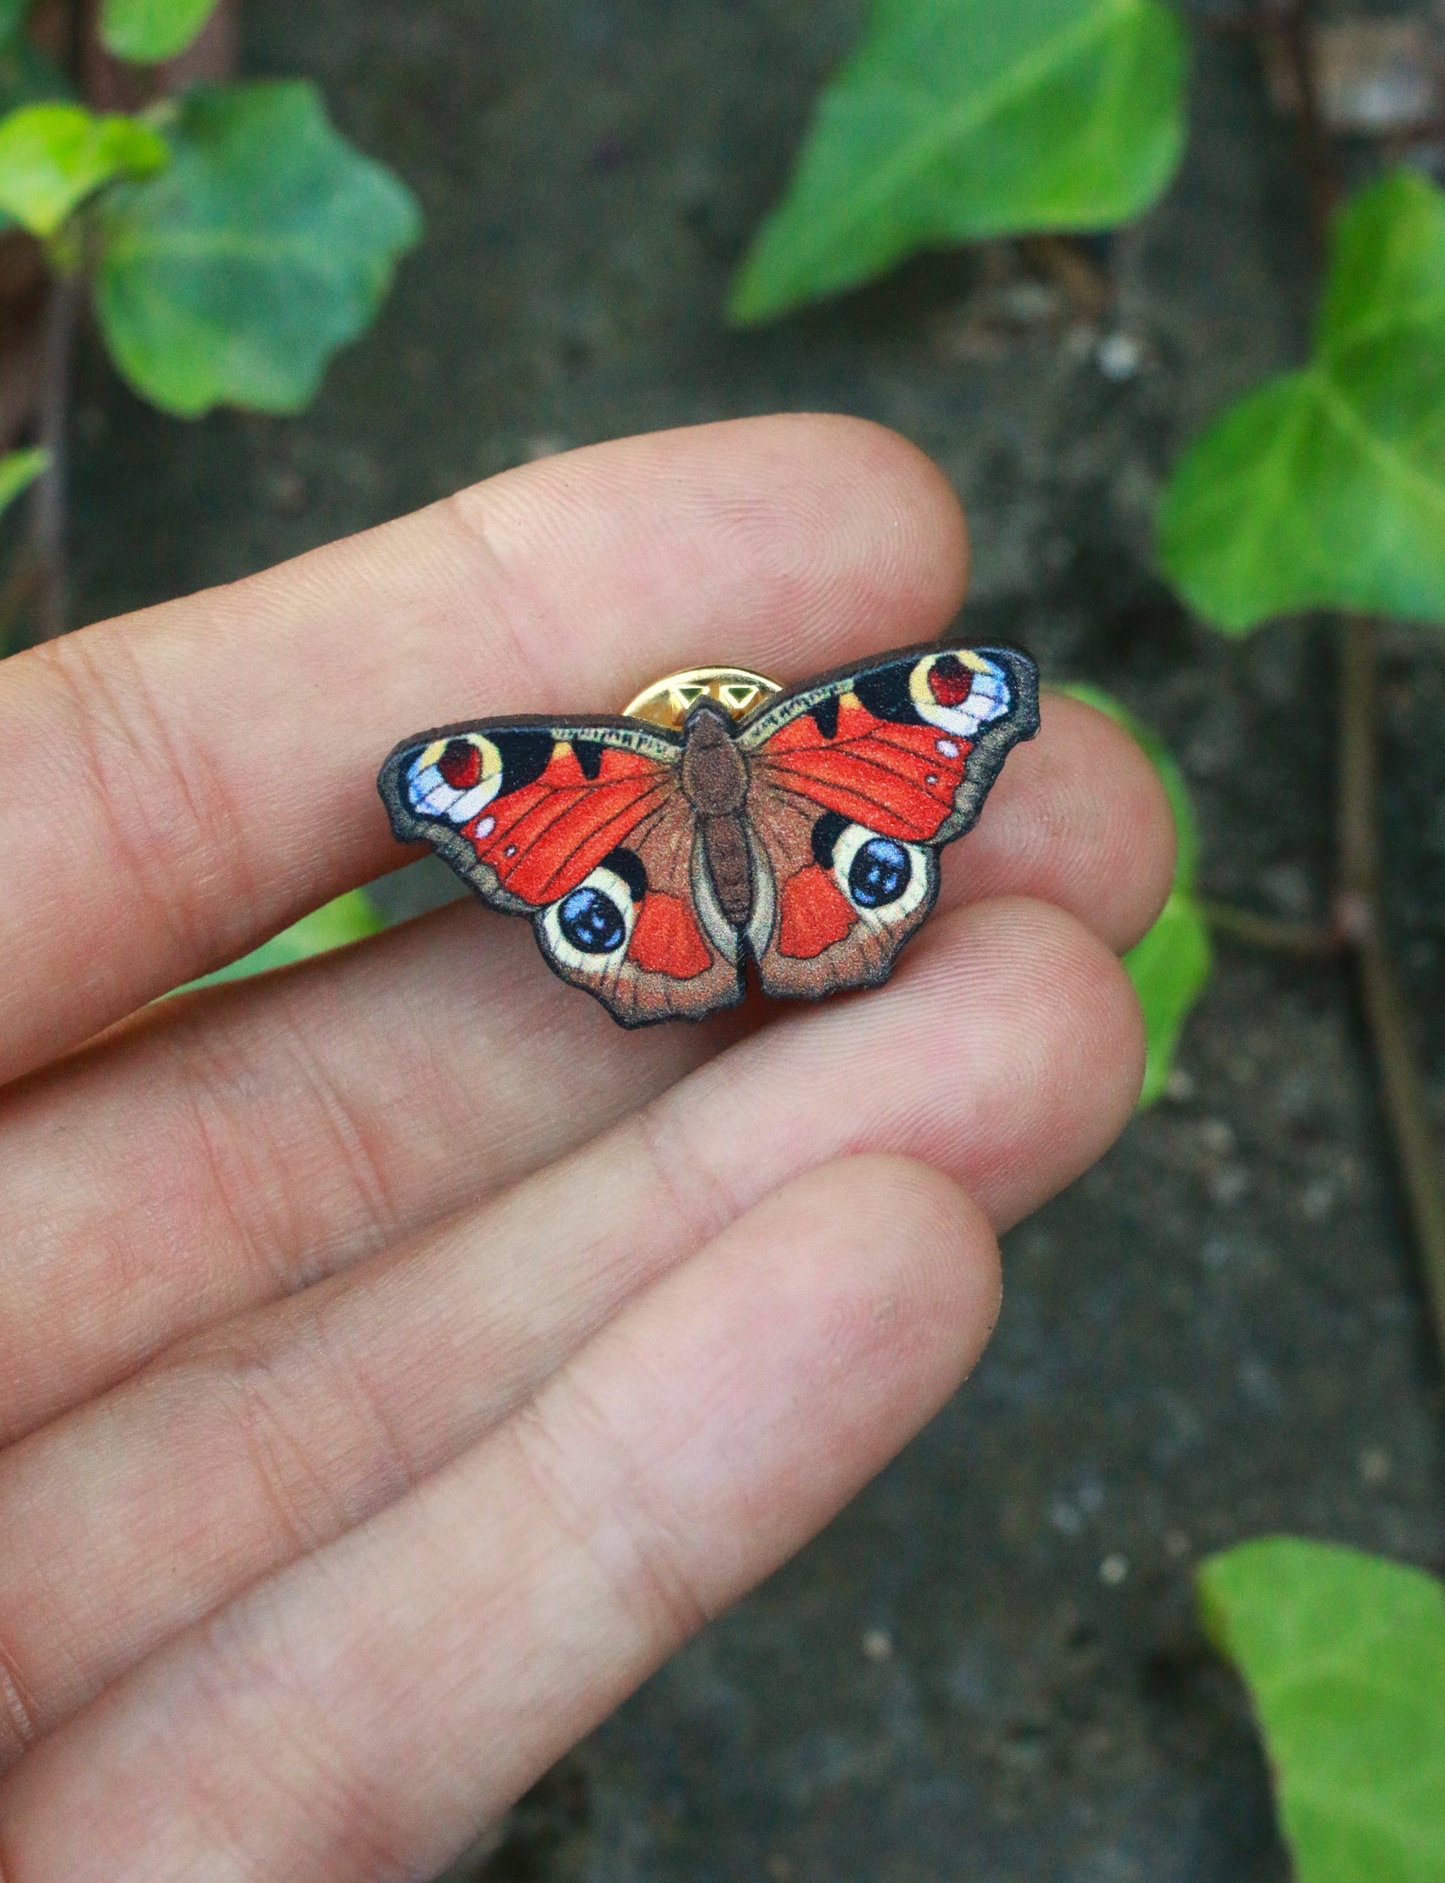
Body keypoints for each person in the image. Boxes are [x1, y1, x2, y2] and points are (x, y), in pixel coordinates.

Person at [0, 416, 1172, 1877]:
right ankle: (798, 918)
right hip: (817, 842)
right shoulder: (836, 733)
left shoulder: (566, 773)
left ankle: (749, 927)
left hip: (682, 871)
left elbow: (476, 780)